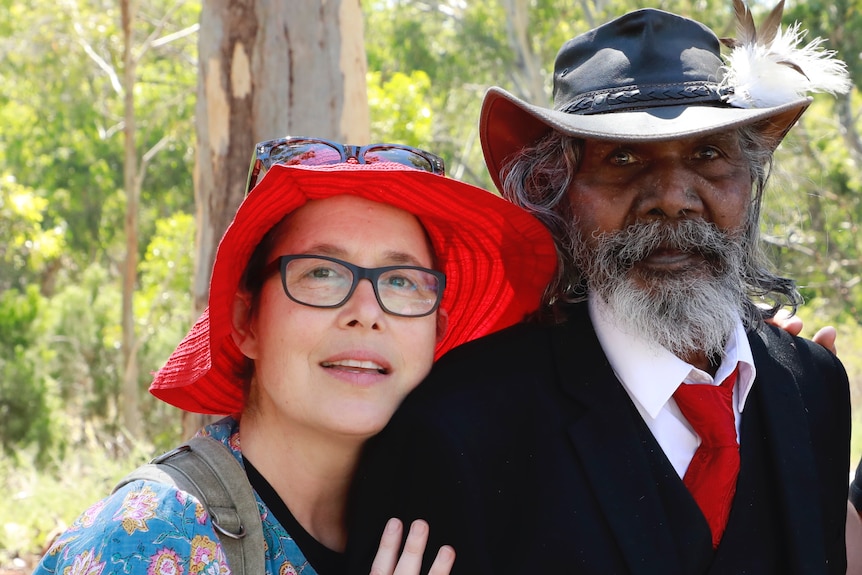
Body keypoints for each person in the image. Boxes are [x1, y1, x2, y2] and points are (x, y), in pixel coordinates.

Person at [346, 4, 852, 574]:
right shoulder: (458, 429)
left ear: (749, 179)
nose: (672, 196)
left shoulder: (814, 387)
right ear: (557, 194)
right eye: (623, 158)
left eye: (708, 154)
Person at [32, 138, 557, 575]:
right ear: (246, 323)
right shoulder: (149, 537)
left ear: (435, 334)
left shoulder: (446, 517)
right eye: (321, 273)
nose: (366, 312)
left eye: (400, 281)